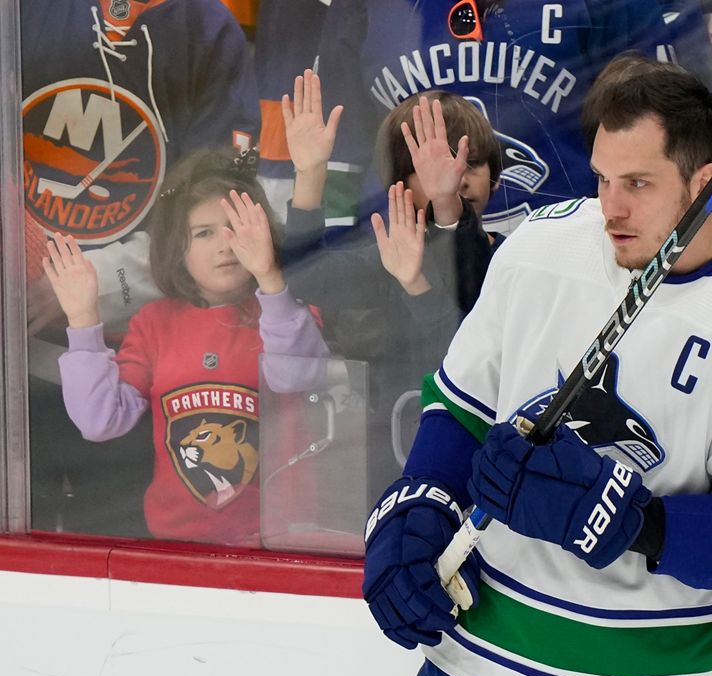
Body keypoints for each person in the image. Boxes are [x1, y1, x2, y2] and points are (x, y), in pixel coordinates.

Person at [361, 63, 712, 676]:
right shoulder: (538, 248)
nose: (611, 207)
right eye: (604, 178)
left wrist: (632, 518)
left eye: (638, 183)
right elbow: (461, 410)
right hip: (473, 671)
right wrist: (419, 506)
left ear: (707, 182)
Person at [44, 149, 330, 547]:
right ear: (177, 249)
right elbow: (101, 420)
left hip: (278, 541)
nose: (225, 245)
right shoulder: (154, 324)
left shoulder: (288, 310)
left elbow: (296, 376)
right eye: (204, 233)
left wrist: (270, 278)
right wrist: (83, 320)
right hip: (176, 546)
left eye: (237, 227)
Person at [280, 70, 501, 491]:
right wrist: (309, 173)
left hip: (484, 466)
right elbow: (311, 277)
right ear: (399, 183)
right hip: (398, 463)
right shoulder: (393, 254)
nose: (456, 173)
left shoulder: (511, 258)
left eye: (470, 161)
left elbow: (466, 352)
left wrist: (444, 205)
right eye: (428, 164)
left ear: (495, 174)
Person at [310, 0, 678, 235]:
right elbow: (343, 152)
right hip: (413, 274)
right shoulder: (363, 8)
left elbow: (649, 134)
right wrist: (339, 246)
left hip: (562, 258)